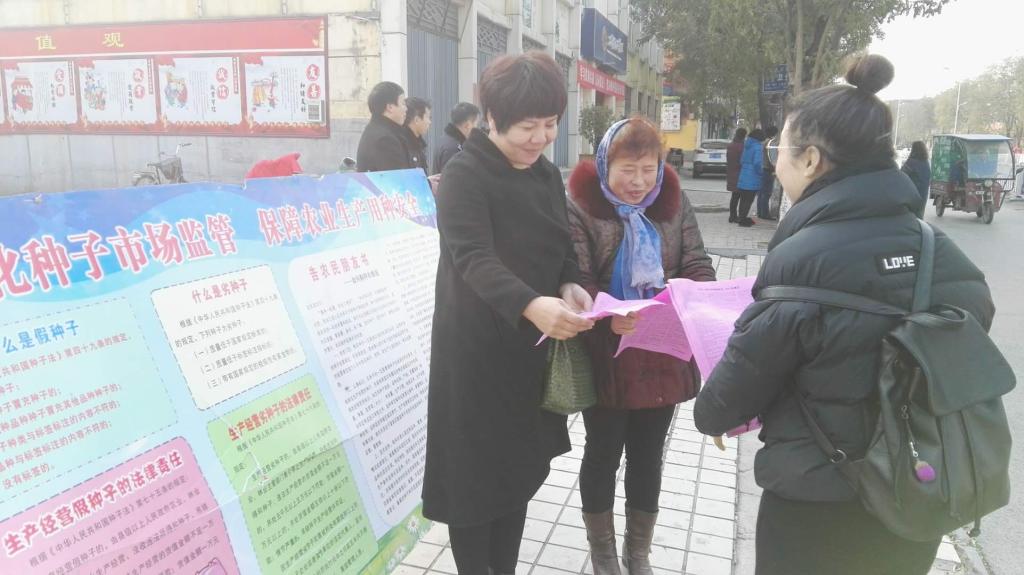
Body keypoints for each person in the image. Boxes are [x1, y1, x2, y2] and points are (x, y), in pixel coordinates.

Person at [692, 54, 994, 575]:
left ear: (811, 159)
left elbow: (721, 405)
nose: (775, 162)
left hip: (815, 505)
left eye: (779, 149)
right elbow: (971, 329)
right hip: (915, 496)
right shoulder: (935, 248)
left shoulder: (801, 260)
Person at [422, 51, 596, 574]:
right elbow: (473, 257)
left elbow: (561, 244)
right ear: (492, 118)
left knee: (515, 474)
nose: (541, 138)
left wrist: (569, 282)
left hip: (527, 352)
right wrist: (531, 304)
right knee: (474, 484)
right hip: (474, 355)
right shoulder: (465, 174)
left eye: (551, 124)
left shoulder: (544, 174)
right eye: (527, 126)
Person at [567, 117, 715, 575]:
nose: (639, 182)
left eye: (648, 170)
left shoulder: (673, 201)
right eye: (627, 170)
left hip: (662, 352)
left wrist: (695, 297)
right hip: (608, 354)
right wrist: (606, 316)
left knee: (648, 458)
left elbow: (696, 260)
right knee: (603, 453)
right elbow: (577, 277)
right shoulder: (582, 207)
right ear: (605, 165)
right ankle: (604, 555)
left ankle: (638, 554)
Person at [356, 81, 414, 172]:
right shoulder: (385, 139)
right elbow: (397, 178)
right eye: (403, 103)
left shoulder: (376, 129)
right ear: (390, 107)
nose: (406, 109)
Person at [434, 102, 481, 175]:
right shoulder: (453, 149)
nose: (477, 128)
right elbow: (452, 179)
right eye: (476, 124)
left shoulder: (445, 140)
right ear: (467, 125)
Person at [734, 128, 766, 227]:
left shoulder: (747, 145)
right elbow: (757, 163)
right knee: (749, 200)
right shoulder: (758, 147)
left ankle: (741, 218)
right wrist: (761, 172)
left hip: (743, 174)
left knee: (743, 199)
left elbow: (741, 160)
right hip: (753, 176)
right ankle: (743, 220)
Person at [901, 140, 931, 217]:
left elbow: (901, 174)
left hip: (911, 195)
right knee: (919, 218)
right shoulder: (926, 163)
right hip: (923, 195)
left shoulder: (911, 163)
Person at [402, 96, 432, 174]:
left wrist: (428, 179)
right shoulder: (404, 145)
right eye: (428, 117)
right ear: (417, 120)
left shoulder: (417, 143)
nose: (429, 122)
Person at [757, 126, 779, 220]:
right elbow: (773, 158)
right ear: (774, 133)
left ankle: (760, 212)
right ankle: (765, 214)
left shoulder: (762, 142)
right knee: (766, 193)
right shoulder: (771, 143)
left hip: (761, 168)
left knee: (761, 192)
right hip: (768, 170)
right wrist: (776, 168)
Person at [726, 127, 748, 222]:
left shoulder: (731, 145)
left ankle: (732, 215)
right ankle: (739, 216)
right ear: (744, 136)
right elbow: (743, 161)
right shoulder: (743, 147)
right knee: (742, 197)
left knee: (734, 196)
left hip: (731, 172)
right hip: (741, 173)